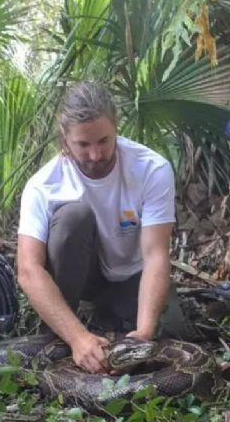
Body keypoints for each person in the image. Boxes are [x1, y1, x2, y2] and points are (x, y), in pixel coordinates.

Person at [17, 82, 185, 374]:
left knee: (172, 335)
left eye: (103, 141)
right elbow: (29, 270)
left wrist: (143, 335)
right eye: (83, 145)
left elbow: (157, 255)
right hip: (84, 279)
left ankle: (112, 318)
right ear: (64, 139)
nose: (95, 155)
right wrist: (77, 338)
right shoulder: (42, 186)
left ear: (116, 127)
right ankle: (59, 336)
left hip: (133, 275)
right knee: (73, 218)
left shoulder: (152, 169)